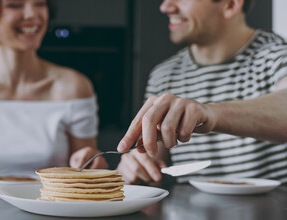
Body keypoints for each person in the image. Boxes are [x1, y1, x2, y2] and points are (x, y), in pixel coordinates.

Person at [117, 0, 287, 185]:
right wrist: (137, 165)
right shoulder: (163, 75)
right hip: (190, 212)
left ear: (230, 4)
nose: (165, 7)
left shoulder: (277, 56)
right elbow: (154, 156)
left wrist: (211, 113)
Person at [0, 0, 108, 176]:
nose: (32, 14)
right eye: (15, 5)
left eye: (40, 4)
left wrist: (93, 165)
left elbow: (85, 174)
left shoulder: (74, 87)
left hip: (54, 202)